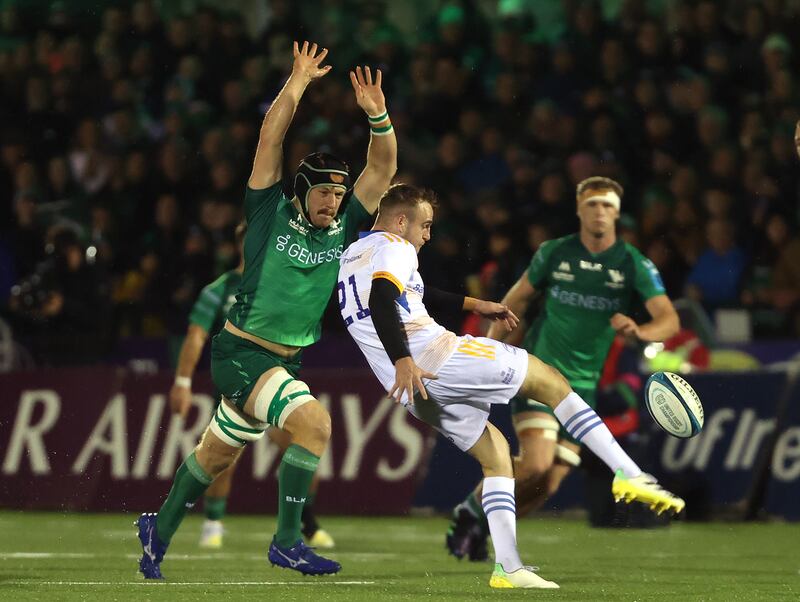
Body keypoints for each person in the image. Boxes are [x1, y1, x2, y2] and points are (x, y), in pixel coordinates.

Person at [337, 183, 684, 590]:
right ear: (400, 221)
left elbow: (406, 291)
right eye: (425, 225)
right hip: (433, 358)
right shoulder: (397, 246)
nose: (427, 236)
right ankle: (629, 472)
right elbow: (382, 298)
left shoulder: (355, 254)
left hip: (412, 389)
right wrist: (403, 359)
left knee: (498, 455)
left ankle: (508, 567)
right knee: (552, 381)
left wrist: (472, 303)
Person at [137, 41, 397, 579]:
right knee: (317, 426)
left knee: (214, 457)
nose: (333, 201)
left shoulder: (346, 222)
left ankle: (155, 533)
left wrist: (378, 114)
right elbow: (270, 137)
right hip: (243, 352)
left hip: (285, 360)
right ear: (300, 192)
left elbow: (384, 167)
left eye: (338, 193)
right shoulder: (266, 210)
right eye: (323, 193)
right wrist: (297, 81)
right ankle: (287, 541)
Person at [447, 176, 681, 561]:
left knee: (548, 484)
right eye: (592, 205)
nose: (599, 212)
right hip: (540, 374)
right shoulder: (555, 253)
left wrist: (640, 330)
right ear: (578, 209)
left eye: (607, 205)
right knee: (536, 463)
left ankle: (480, 524)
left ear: (617, 213)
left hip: (583, 387)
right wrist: (489, 352)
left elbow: (669, 320)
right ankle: (469, 513)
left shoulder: (632, 264)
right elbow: (516, 301)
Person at [168, 222, 334, 550]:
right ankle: (213, 524)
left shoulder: (279, 283)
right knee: (224, 459)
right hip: (238, 385)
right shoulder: (219, 289)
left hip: (275, 380)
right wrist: (182, 382)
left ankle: (306, 521)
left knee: (303, 445)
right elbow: (196, 335)